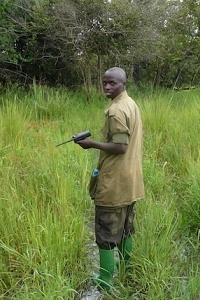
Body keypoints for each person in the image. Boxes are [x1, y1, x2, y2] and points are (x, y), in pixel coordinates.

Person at [76, 67, 144, 291]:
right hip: (130, 182)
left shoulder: (116, 110)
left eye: (112, 83)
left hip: (114, 183)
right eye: (104, 83)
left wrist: (92, 144)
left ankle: (105, 279)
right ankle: (127, 268)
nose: (107, 87)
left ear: (122, 84)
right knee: (125, 227)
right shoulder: (130, 103)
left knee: (106, 232)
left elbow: (121, 147)